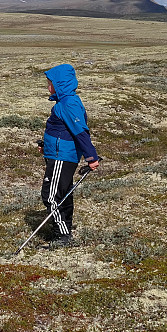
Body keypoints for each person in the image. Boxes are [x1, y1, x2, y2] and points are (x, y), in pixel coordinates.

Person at [41, 63, 100, 248]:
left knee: (51, 196)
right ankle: (63, 233)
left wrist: (91, 157)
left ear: (59, 84)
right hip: (58, 153)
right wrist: (46, 145)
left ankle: (63, 236)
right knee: (63, 193)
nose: (48, 87)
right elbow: (61, 130)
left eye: (50, 83)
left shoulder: (68, 103)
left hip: (62, 156)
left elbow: (81, 131)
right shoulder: (64, 102)